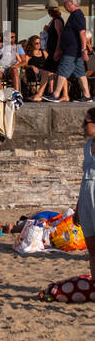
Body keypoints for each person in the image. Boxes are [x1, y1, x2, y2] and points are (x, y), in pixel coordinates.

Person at [49, 0, 92, 105]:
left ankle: (56, 94)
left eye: (65, 2)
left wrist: (83, 50)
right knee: (80, 72)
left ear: (71, 3)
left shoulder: (77, 14)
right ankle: (87, 95)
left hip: (73, 50)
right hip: (74, 50)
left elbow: (82, 32)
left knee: (63, 70)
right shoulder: (74, 14)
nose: (64, 4)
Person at [74, 108, 95, 282]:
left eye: (86, 122)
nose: (83, 126)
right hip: (86, 194)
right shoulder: (88, 145)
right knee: (91, 247)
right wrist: (78, 207)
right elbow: (85, 176)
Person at [24, 34, 55, 102]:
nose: (38, 45)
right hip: (35, 73)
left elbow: (50, 62)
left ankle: (51, 92)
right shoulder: (29, 54)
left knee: (51, 72)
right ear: (32, 44)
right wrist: (32, 66)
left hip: (45, 71)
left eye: (39, 43)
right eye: (36, 43)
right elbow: (25, 65)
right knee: (48, 72)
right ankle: (51, 93)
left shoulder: (44, 52)